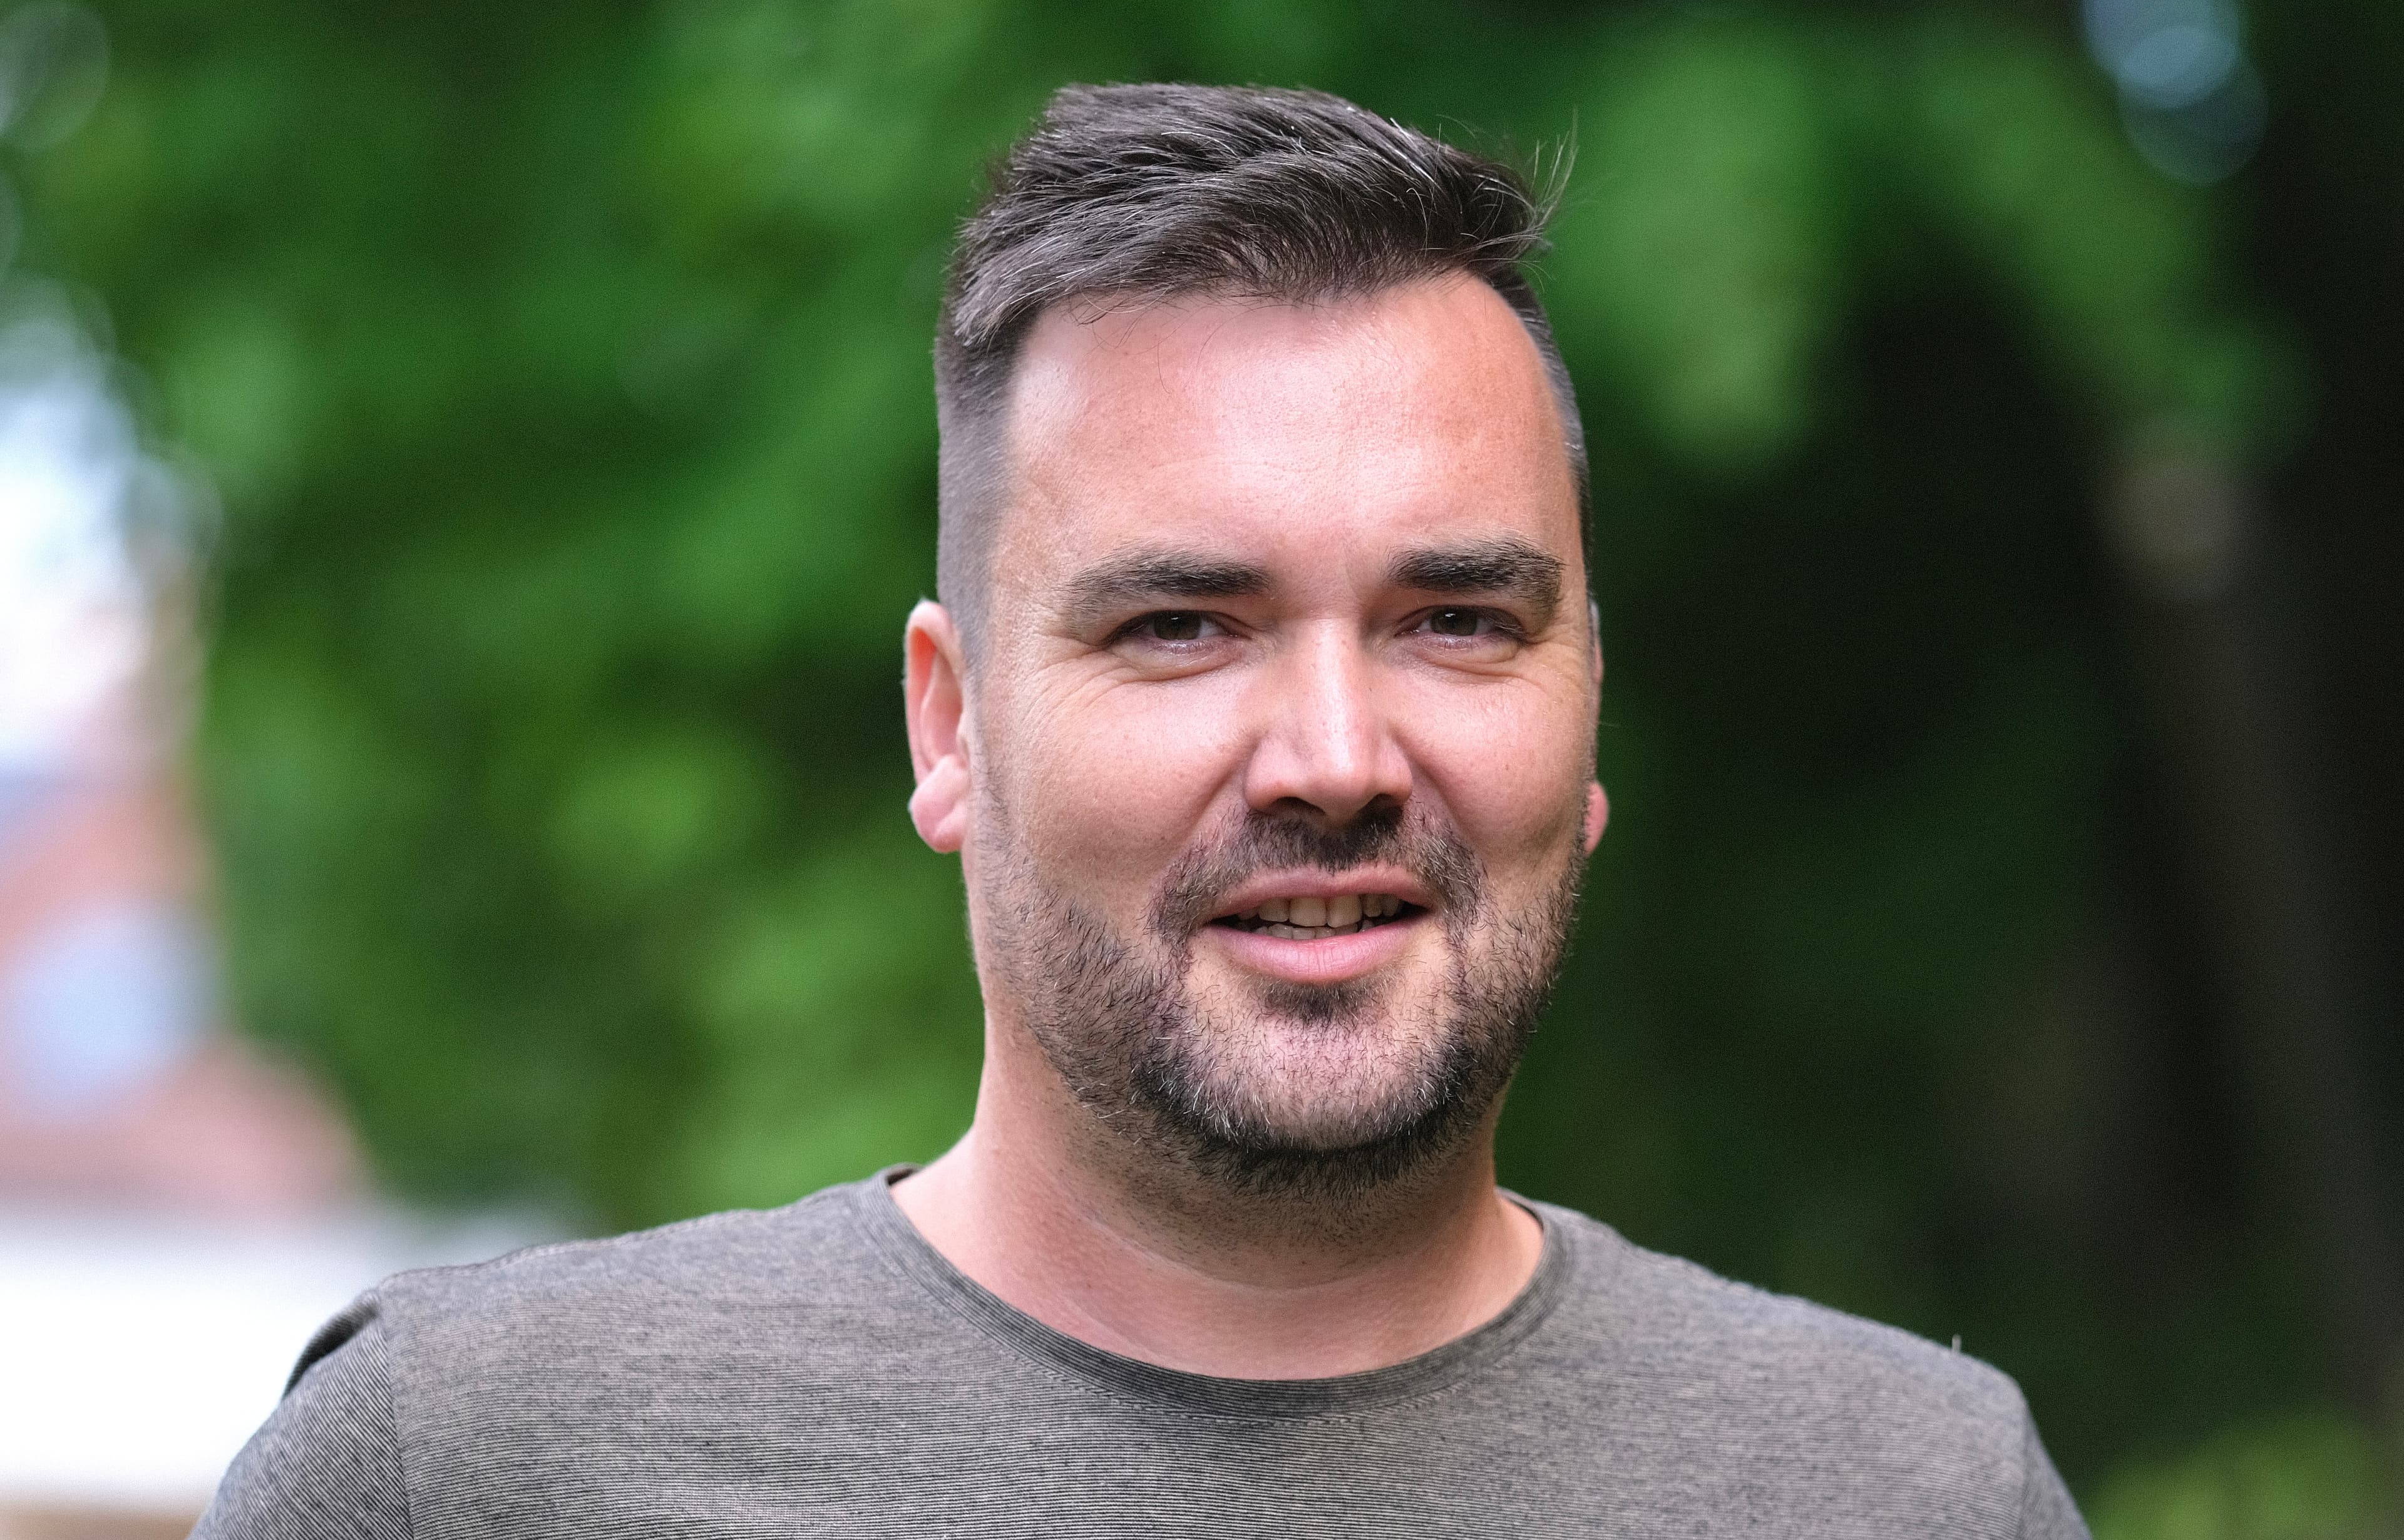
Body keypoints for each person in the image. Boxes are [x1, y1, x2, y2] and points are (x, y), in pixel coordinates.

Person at [197, 83, 2088, 1538]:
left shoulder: (1914, 1495)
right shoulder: (470, 1475)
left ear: (1585, 706)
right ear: (951, 726)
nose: (1336, 756)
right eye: (1183, 626)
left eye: (1456, 621)